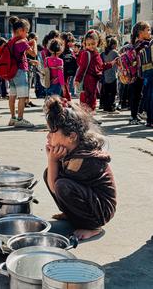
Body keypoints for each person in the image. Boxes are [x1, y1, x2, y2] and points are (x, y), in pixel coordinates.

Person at [43, 95, 117, 240]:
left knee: (61, 184)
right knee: (50, 174)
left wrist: (52, 160)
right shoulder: (72, 149)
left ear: (71, 136)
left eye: (52, 132)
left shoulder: (83, 159)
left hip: (100, 212)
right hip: (91, 200)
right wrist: (53, 162)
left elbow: (56, 187)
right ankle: (73, 214)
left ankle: (92, 227)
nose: (48, 137)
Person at [75, 30, 117, 113]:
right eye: (88, 44)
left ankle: (89, 116)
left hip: (94, 80)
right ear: (85, 44)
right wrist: (77, 79)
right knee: (89, 99)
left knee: (91, 98)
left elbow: (101, 66)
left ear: (98, 42)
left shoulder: (96, 53)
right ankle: (88, 117)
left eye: (93, 44)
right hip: (88, 79)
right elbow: (82, 68)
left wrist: (111, 63)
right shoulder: (86, 53)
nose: (91, 46)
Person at [8, 16, 37, 128]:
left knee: (12, 95)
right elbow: (33, 53)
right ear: (20, 30)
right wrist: (33, 43)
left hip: (12, 71)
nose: (27, 34)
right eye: (26, 31)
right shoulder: (21, 41)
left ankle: (13, 117)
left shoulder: (12, 41)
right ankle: (20, 118)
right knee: (22, 96)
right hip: (20, 70)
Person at [128, 21, 151, 125]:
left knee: (135, 95)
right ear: (141, 32)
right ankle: (136, 115)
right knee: (140, 94)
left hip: (132, 73)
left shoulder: (132, 45)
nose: (150, 32)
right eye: (148, 30)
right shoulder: (145, 44)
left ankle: (134, 115)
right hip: (141, 73)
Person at [100, 37, 119, 113]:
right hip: (113, 75)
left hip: (104, 76)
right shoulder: (114, 52)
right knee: (113, 92)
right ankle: (111, 107)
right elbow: (120, 61)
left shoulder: (102, 53)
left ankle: (106, 107)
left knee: (106, 92)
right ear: (114, 45)